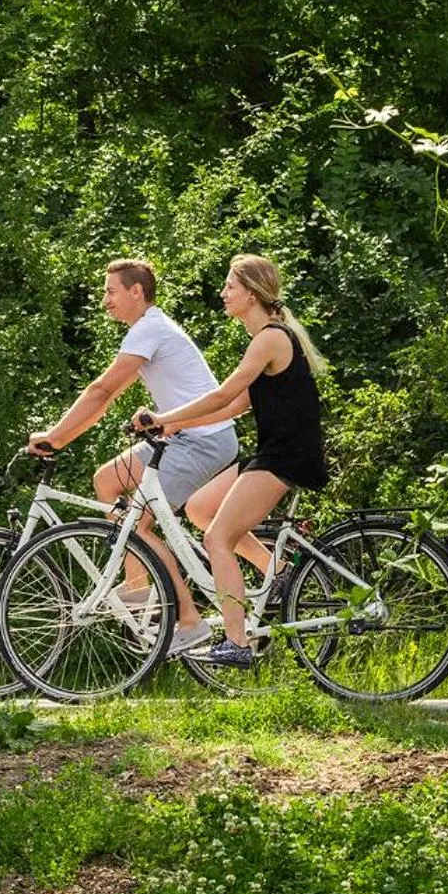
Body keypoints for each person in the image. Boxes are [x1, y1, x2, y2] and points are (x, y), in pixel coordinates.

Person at [27, 258, 243, 655]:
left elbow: (101, 392)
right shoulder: (147, 329)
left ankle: (189, 620)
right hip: (182, 438)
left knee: (137, 525)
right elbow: (104, 401)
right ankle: (140, 588)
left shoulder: (150, 329)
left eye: (111, 291)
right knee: (107, 480)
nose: (105, 300)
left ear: (136, 291)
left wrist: (56, 437)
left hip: (204, 441)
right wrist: (63, 438)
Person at [134, 253, 328, 668]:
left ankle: (237, 641)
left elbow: (224, 393)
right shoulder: (267, 339)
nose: (223, 293)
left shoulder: (270, 338)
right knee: (202, 509)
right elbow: (236, 405)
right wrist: (176, 426)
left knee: (217, 538)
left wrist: (165, 415)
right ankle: (276, 574)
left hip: (286, 456)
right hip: (272, 452)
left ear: (253, 294)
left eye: (230, 287)